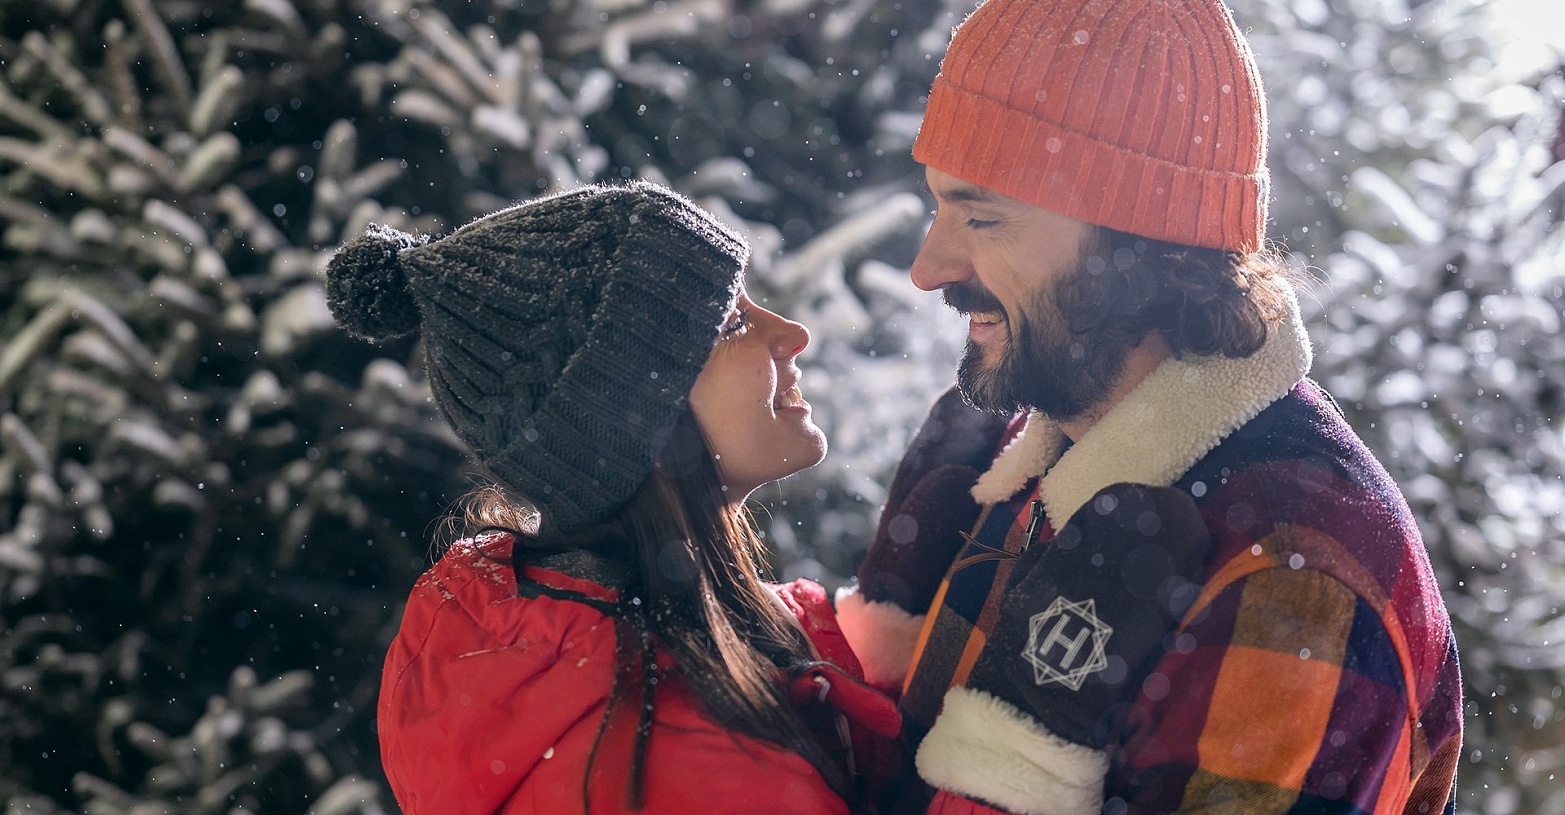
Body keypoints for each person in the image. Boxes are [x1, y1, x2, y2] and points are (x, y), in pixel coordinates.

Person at [834, 1, 1465, 813]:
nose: (928, 268)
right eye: (938, 207)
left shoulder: (1289, 573)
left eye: (983, 217)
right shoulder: (1031, 448)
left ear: (1139, 245)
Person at [324, 181, 899, 814]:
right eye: (732, 324)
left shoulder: (688, 660)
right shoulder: (697, 772)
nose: (793, 332)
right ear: (632, 420)